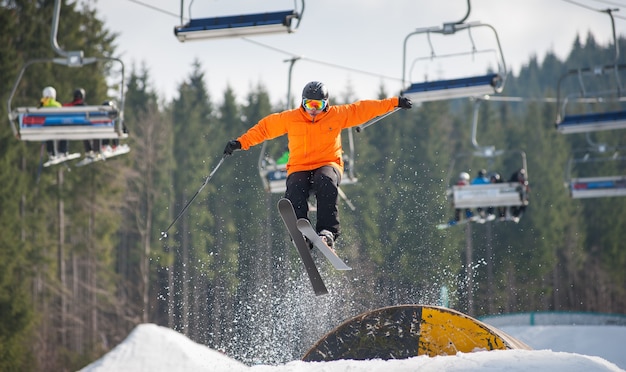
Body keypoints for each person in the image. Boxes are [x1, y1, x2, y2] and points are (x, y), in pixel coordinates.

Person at [223, 81, 413, 249]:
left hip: (327, 163)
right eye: (309, 104)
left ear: (326, 103)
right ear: (302, 102)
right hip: (299, 165)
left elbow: (364, 109)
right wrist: (240, 143)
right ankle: (301, 231)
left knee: (326, 181)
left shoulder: (337, 115)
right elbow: (264, 128)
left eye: (318, 104)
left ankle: (327, 232)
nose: (313, 109)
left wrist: (395, 102)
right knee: (295, 186)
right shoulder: (291, 118)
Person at [64, 88, 101, 160]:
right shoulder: (84, 106)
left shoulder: (69, 106)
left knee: (85, 130)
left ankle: (89, 151)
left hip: (70, 128)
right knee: (93, 131)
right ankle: (95, 151)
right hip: (83, 129)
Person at [40, 86, 68, 161]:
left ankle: (51, 153)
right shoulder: (57, 105)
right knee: (64, 132)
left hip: (46, 127)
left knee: (48, 135)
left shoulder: (42, 105)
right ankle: (62, 151)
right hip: (58, 126)